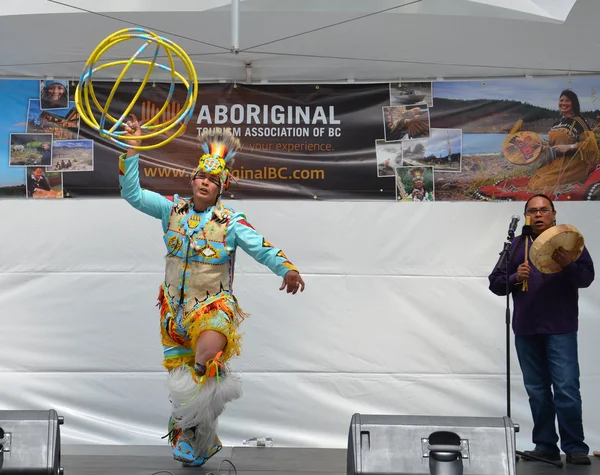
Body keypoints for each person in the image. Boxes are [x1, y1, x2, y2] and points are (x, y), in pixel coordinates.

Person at [119, 121, 305, 467]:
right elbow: (132, 194)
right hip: (173, 313)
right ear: (192, 181)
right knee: (183, 383)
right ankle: (200, 438)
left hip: (214, 306)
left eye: (213, 181)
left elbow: (261, 247)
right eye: (201, 178)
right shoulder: (170, 210)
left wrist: (287, 269)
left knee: (206, 359)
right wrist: (132, 148)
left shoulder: (231, 222)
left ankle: (187, 432)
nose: (205, 183)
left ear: (222, 188)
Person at [488, 194, 594, 465]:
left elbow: (586, 278)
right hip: (526, 328)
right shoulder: (516, 246)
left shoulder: (569, 242)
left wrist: (568, 264)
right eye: (532, 211)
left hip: (561, 328)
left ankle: (575, 447)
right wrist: (515, 277)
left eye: (543, 210)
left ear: (554, 214)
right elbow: (496, 283)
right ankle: (545, 444)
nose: (538, 215)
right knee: (537, 390)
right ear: (526, 216)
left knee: (566, 388)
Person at [476, 90, 600, 201]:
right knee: (535, 181)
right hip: (557, 163)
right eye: (561, 100)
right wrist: (540, 149)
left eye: (567, 100)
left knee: (540, 184)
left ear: (573, 103)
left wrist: (570, 147)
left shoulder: (579, 121)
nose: (563, 103)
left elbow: (591, 144)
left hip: (573, 165)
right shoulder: (557, 124)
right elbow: (552, 147)